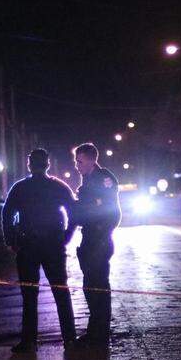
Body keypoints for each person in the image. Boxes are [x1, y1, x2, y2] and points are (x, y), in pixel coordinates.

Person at [2, 149, 78, 354]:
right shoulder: (58, 186)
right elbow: (74, 212)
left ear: (29, 165)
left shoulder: (20, 188)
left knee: (29, 295)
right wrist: (66, 236)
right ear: (48, 164)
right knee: (61, 291)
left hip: (27, 246)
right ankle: (70, 338)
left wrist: (11, 240)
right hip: (53, 245)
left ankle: (28, 341)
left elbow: (7, 213)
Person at [70, 143, 122, 347]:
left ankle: (99, 334)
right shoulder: (88, 181)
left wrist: (98, 227)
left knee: (98, 287)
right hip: (91, 238)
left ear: (92, 160)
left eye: (80, 161)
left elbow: (111, 212)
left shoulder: (103, 179)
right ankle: (95, 332)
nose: (77, 165)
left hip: (99, 239)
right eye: (76, 161)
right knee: (91, 287)